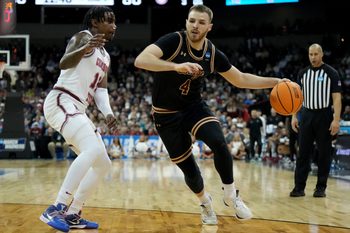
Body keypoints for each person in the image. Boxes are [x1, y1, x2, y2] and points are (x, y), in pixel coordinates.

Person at [134, 4, 288, 225]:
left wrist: (276, 82)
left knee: (219, 142)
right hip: (165, 114)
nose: (195, 26)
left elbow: (241, 79)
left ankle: (230, 194)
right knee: (190, 171)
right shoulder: (174, 41)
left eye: (201, 22)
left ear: (210, 27)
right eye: (192, 21)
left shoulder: (212, 53)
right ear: (186, 21)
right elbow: (141, 60)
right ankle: (205, 203)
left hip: (193, 108)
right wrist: (175, 67)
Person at [39, 6, 118, 232]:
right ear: (94, 22)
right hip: (62, 100)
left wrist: (109, 113)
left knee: (103, 164)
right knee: (92, 148)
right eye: (109, 21)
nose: (114, 26)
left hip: (78, 108)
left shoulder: (106, 56)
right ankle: (56, 207)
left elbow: (100, 92)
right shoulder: (84, 37)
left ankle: (73, 213)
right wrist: (84, 47)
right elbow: (64, 62)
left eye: (115, 22)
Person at [290, 43, 342, 198]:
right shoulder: (302, 73)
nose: (313, 57)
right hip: (306, 115)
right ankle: (299, 188)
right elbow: (297, 98)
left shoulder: (331, 73)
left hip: (324, 115)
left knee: (324, 153)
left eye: (315, 54)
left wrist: (336, 120)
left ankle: (321, 188)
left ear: (321, 54)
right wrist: (294, 115)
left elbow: (337, 98)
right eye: (310, 54)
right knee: (303, 153)